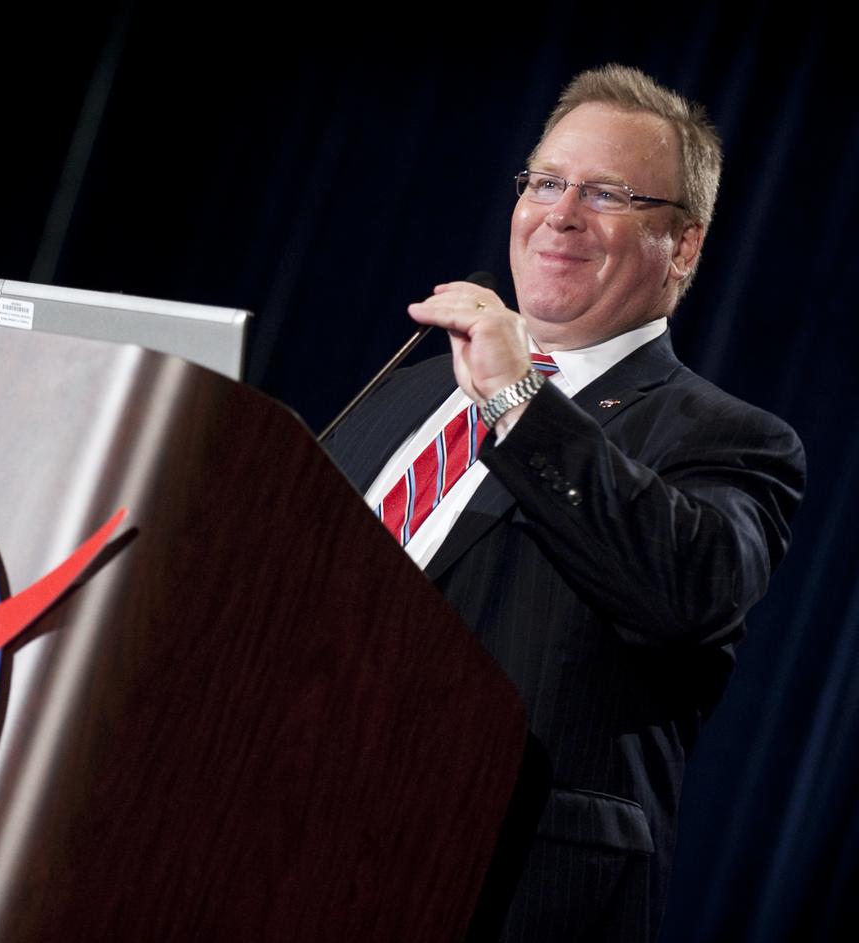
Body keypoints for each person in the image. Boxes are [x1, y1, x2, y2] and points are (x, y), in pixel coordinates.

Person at [324, 65, 805, 941]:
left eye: (608, 193)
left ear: (684, 246)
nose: (562, 213)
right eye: (547, 182)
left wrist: (519, 401)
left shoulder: (730, 438)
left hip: (504, 893)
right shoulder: (401, 392)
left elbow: (683, 593)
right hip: (285, 849)